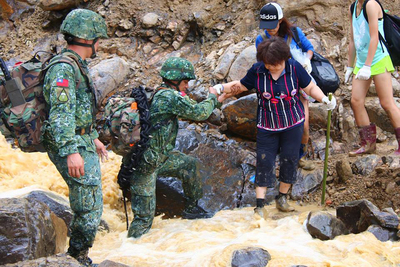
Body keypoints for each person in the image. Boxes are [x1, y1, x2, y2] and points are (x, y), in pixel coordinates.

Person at [217, 37, 336, 216]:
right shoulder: (257, 71)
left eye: (274, 64)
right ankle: (260, 205)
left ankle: (282, 198)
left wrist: (324, 99)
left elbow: (310, 87)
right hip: (267, 125)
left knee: (290, 159)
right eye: (267, 64)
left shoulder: (294, 68)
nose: (270, 67)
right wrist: (219, 89)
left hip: (293, 124)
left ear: (284, 59)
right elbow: (240, 86)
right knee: (264, 161)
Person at [121, 57, 229, 238]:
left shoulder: (164, 93)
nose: (187, 86)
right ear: (174, 80)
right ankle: (129, 252)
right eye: (185, 82)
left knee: (189, 165)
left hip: (159, 159)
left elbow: (193, 108)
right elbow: (199, 113)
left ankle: (191, 209)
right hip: (145, 164)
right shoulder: (168, 97)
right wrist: (212, 96)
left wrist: (216, 101)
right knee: (143, 219)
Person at [41, 9, 108, 266]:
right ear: (87, 38)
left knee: (91, 205)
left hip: (81, 141)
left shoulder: (76, 65)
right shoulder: (63, 69)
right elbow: (61, 114)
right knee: (89, 209)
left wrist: (92, 137)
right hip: (69, 144)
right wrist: (71, 151)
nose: (99, 44)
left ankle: (78, 256)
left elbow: (79, 110)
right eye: (98, 39)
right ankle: (76, 259)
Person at [256, 2, 316, 170]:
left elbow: (309, 48)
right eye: (265, 26)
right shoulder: (261, 39)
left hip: (299, 84)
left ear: (281, 20)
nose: (269, 29)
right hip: (277, 90)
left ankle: (299, 157)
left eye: (272, 25)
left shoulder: (294, 33)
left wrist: (306, 61)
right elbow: (261, 64)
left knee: (303, 126)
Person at [345, 0, 400, 156]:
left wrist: (368, 66)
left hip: (378, 59)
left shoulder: (371, 5)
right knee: (356, 101)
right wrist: (350, 66)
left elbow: (374, 37)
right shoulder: (353, 8)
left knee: (387, 103)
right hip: (362, 62)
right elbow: (353, 39)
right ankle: (368, 144)